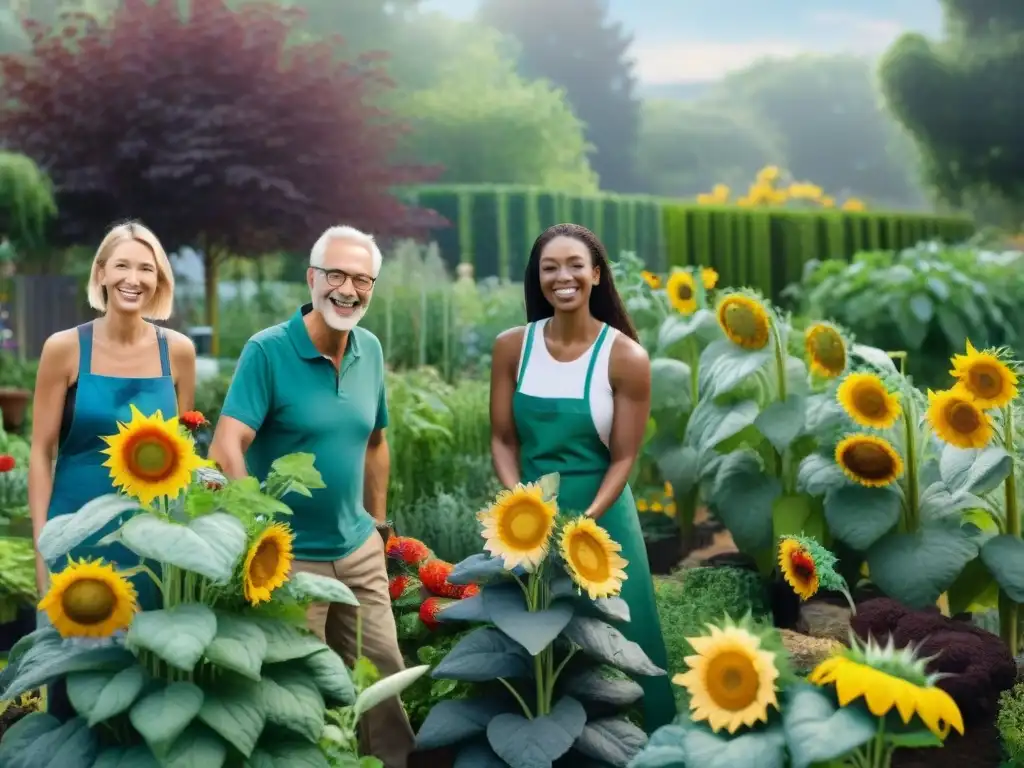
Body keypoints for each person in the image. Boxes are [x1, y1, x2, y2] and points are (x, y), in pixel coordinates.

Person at [209, 226, 413, 767]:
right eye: (337, 275)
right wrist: (258, 532)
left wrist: (379, 522)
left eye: (362, 279)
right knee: (297, 690)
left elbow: (376, 443)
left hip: (356, 547)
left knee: (384, 673)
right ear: (312, 278)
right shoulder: (269, 351)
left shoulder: (368, 349)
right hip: (291, 560)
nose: (349, 289)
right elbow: (227, 445)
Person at [490, 222, 676, 732]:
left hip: (601, 519)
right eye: (550, 267)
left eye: (575, 265)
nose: (563, 276)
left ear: (596, 275)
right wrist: (519, 506)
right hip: (527, 520)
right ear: (538, 279)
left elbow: (623, 458)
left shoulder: (625, 357)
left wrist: (584, 522)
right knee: (528, 646)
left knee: (623, 643)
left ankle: (646, 749)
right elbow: (503, 440)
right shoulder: (512, 348)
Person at [29, 221, 196, 610]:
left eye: (146, 268)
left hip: (153, 549)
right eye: (122, 266)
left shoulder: (179, 353)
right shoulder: (63, 349)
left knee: (149, 664)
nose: (133, 279)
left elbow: (183, 455)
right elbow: (40, 453)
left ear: (159, 281)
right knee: (75, 661)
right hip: (73, 538)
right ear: (101, 273)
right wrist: (42, 551)